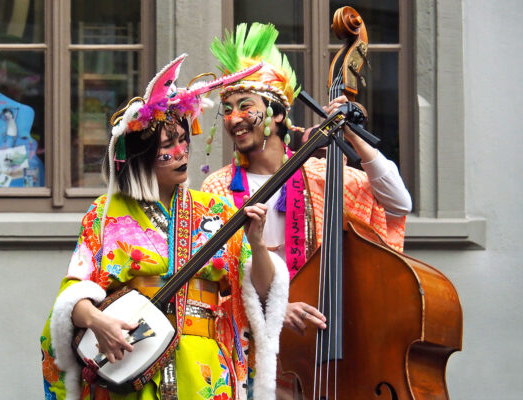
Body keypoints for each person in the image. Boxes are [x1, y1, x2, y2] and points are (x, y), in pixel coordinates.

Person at [40, 54, 288, 400]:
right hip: (130, 363)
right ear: (142, 157)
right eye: (167, 145)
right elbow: (73, 295)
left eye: (183, 140)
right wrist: (99, 323)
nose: (182, 151)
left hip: (203, 369)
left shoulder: (215, 210)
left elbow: (259, 292)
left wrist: (258, 243)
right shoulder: (106, 212)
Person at [201, 23, 412, 335]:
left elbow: (398, 203)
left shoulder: (319, 176)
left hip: (316, 333)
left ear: (276, 114)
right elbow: (214, 277)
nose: (233, 118)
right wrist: (276, 308)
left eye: (246, 107)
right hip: (248, 339)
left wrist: (353, 136)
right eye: (228, 109)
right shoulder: (216, 189)